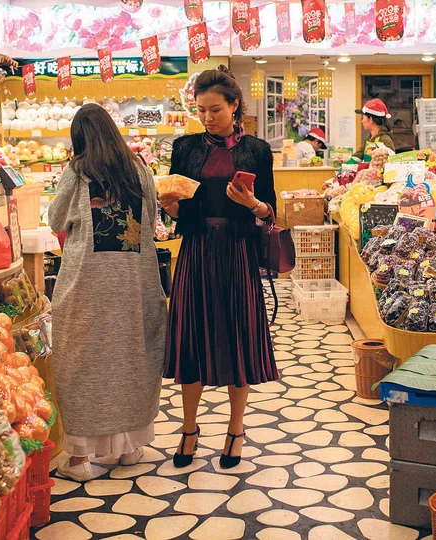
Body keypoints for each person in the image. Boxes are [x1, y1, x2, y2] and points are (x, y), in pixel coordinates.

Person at [160, 66, 279, 470]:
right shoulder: (185, 147)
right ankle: (188, 429)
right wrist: (170, 205)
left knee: (238, 340)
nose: (207, 118)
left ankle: (235, 429)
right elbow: (180, 210)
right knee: (190, 339)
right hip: (195, 250)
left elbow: (270, 211)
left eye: (215, 109)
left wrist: (253, 205)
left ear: (234, 106)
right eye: (201, 110)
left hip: (238, 252)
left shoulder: (257, 151)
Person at [48, 103, 167, 482]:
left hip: (87, 285)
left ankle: (81, 460)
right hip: (136, 282)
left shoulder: (78, 171)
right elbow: (150, 222)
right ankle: (130, 447)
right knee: (133, 356)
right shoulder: (139, 168)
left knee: (83, 361)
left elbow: (54, 218)